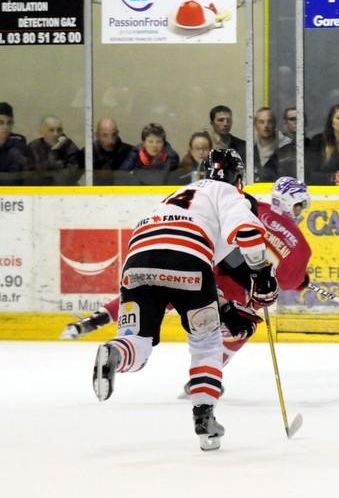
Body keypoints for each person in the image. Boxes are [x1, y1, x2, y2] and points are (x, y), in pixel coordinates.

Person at [90, 149, 277, 451]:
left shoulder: (178, 193)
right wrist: (262, 274)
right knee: (206, 345)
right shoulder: (228, 192)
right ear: (238, 178)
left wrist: (224, 306)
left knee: (137, 341)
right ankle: (205, 419)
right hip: (188, 261)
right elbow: (244, 231)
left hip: (137, 262)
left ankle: (114, 354)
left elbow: (174, 254)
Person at [64, 176, 313, 392]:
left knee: (157, 294)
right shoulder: (299, 243)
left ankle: (97, 319)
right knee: (238, 329)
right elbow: (288, 282)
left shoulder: (253, 205)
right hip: (235, 295)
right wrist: (302, 280)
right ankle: (204, 381)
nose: (300, 211)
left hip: (203, 269)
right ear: (294, 204)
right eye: (300, 206)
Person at [28, 115, 82, 185]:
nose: (56, 134)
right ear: (41, 133)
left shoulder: (69, 146)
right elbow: (35, 174)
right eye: (51, 130)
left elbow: (70, 176)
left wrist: (54, 152)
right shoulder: (34, 147)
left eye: (59, 130)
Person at [82, 118, 133, 185]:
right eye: (105, 135)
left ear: (118, 133)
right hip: (96, 194)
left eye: (114, 135)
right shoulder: (88, 153)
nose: (110, 141)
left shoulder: (130, 152)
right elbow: (71, 177)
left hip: (122, 194)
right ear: (97, 135)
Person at [254, 106, 296, 182]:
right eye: (261, 122)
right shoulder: (250, 149)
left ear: (275, 124)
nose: (266, 126)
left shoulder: (288, 147)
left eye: (269, 121)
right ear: (255, 126)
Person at [0, 102, 31, 185]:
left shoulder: (18, 143)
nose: (6, 127)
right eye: (1, 123)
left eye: (9, 123)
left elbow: (15, 179)